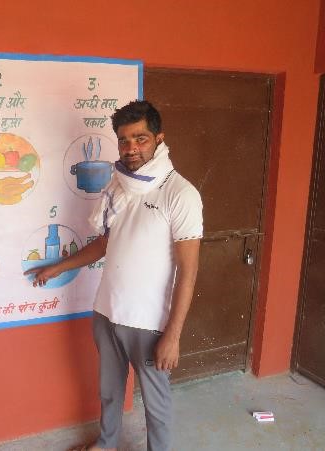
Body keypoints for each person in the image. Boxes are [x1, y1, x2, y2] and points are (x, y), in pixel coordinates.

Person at [25, 100, 203, 451]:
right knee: (109, 392)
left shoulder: (179, 193)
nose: (132, 148)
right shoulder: (118, 187)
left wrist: (174, 335)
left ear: (159, 139)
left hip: (149, 321)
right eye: (124, 140)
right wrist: (58, 267)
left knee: (156, 405)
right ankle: (106, 444)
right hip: (106, 311)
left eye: (141, 138)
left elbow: (189, 271)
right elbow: (106, 243)